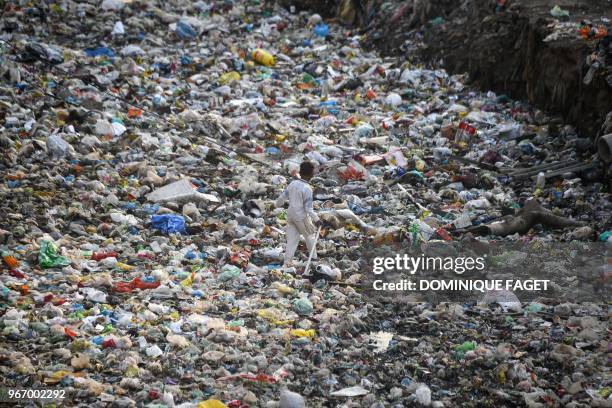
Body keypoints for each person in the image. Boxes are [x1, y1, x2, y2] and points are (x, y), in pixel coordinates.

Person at [275, 161, 319, 266]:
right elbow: (308, 208)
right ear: (310, 173)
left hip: (290, 216)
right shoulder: (307, 188)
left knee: (292, 239)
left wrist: (276, 205)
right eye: (313, 171)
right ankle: (313, 260)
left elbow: (282, 197)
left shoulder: (293, 183)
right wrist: (317, 219)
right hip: (301, 217)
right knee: (310, 236)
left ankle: (287, 262)